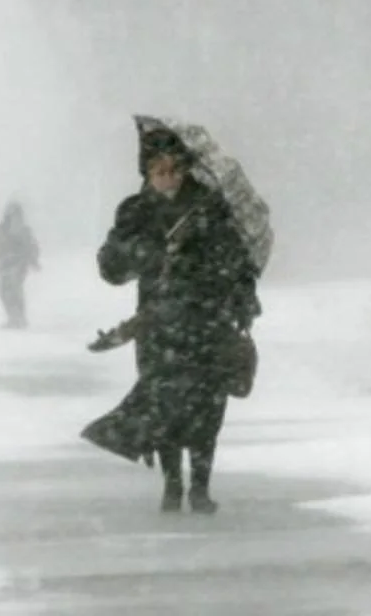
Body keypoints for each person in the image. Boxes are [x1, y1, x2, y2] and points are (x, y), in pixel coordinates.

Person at [91, 128, 261, 514]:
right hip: (159, 322)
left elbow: (238, 261)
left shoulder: (210, 208)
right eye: (158, 169)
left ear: (185, 170)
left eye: (174, 168)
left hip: (207, 318)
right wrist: (145, 252)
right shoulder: (135, 211)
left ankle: (200, 487)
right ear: (147, 173)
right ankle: (172, 485)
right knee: (163, 402)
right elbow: (110, 267)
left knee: (207, 405)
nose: (167, 176)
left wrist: (241, 297)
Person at [0, 201, 40, 329]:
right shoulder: (2, 229)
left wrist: (33, 260)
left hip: (18, 264)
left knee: (14, 290)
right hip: (5, 265)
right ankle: (13, 317)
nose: (14, 218)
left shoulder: (24, 230)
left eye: (16, 214)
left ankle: (18, 317)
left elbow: (31, 246)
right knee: (5, 291)